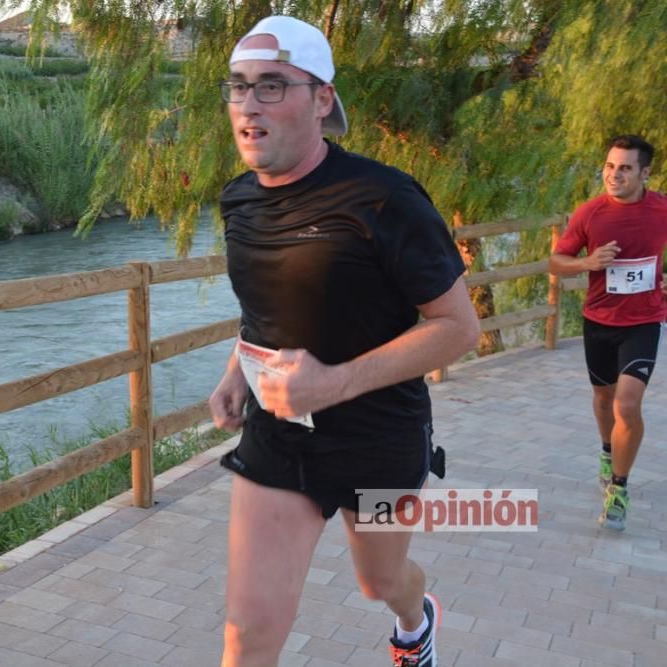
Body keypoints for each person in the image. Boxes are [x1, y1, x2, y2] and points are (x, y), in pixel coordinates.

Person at [208, 15, 479, 667]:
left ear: (322, 99)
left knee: (380, 581)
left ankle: (416, 621)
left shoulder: (383, 199)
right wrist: (236, 372)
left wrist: (334, 382)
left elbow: (458, 327)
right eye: (239, 86)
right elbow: (265, 309)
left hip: (379, 439)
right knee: (247, 636)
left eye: (273, 85)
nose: (249, 103)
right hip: (279, 440)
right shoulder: (238, 200)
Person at [549, 134, 667, 531]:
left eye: (625, 168)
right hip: (599, 321)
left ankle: (618, 487)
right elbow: (555, 261)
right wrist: (589, 263)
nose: (614, 175)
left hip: (645, 320)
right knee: (603, 399)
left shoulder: (662, 210)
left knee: (627, 405)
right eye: (609, 166)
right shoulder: (590, 213)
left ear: (645, 173)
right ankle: (607, 450)